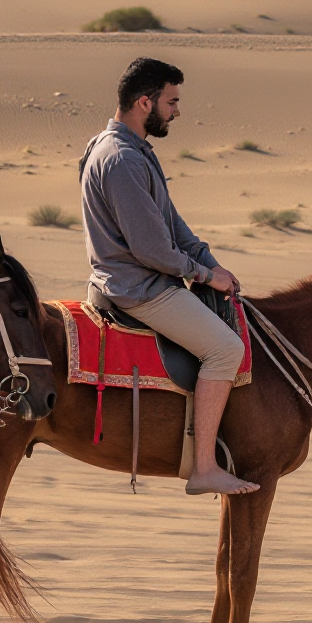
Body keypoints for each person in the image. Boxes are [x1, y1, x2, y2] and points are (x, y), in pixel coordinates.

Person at [78, 57, 257, 497]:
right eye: (171, 102)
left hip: (139, 277)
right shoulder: (122, 160)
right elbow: (153, 250)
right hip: (138, 289)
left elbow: (172, 226)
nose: (177, 111)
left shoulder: (126, 149)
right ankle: (205, 467)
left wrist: (211, 264)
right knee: (224, 349)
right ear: (145, 102)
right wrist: (200, 273)